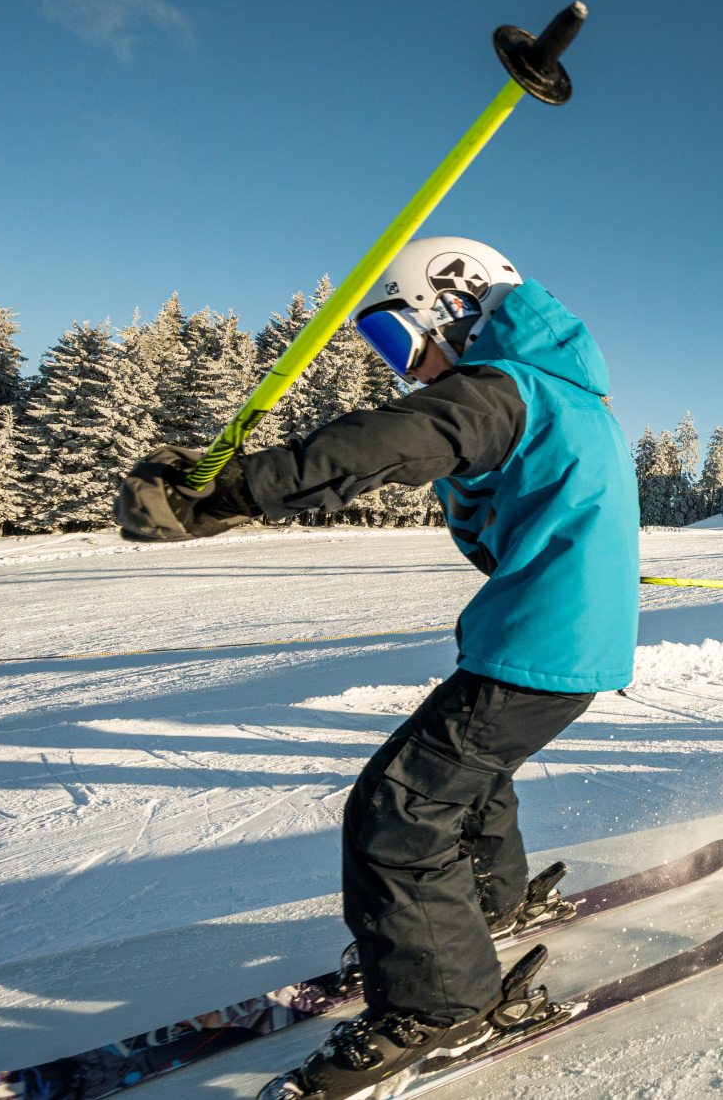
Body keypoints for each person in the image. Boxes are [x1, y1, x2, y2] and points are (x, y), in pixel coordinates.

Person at [113, 238, 638, 1100]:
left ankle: (439, 999)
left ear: (456, 308)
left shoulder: (505, 388)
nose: (408, 370)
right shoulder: (569, 393)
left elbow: (386, 444)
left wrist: (232, 491)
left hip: (541, 645)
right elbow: (502, 513)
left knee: (398, 809)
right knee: (469, 773)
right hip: (562, 645)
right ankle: (487, 907)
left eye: (400, 340)